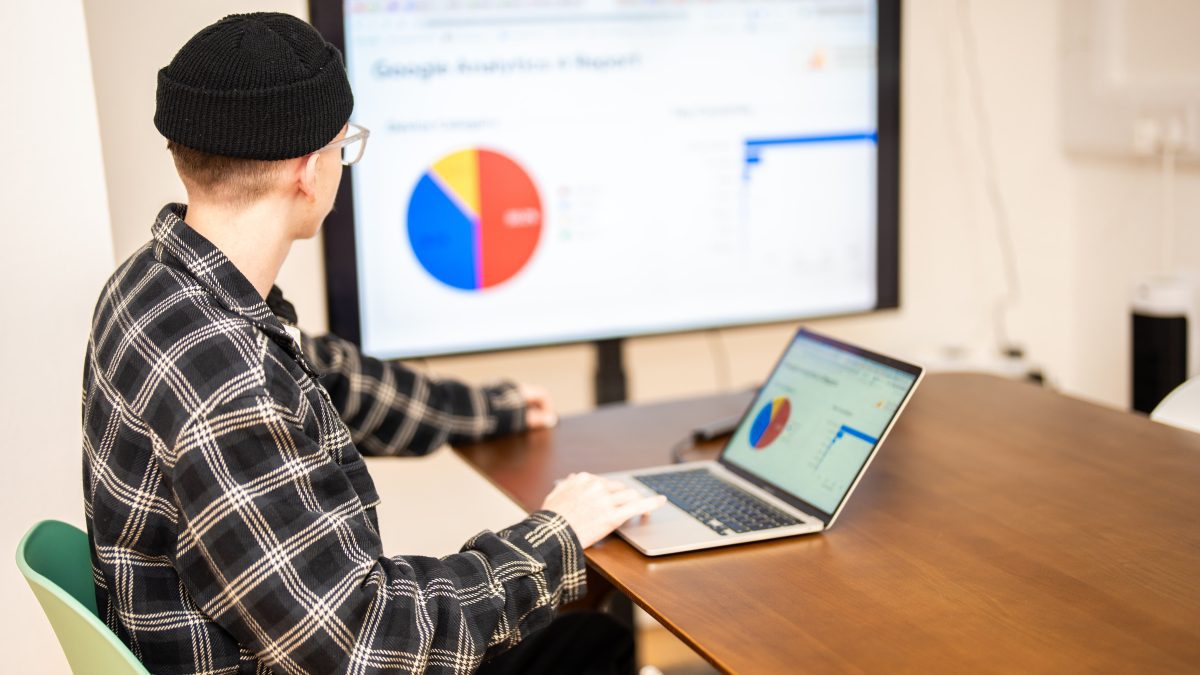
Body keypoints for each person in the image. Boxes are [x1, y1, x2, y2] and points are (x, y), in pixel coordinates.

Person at [82, 12, 664, 674]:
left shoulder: (154, 285)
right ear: (309, 170)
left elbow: (319, 374)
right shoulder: (228, 384)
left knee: (584, 640)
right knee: (594, 646)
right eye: (343, 145)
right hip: (327, 652)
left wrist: (484, 409)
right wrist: (553, 537)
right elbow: (364, 644)